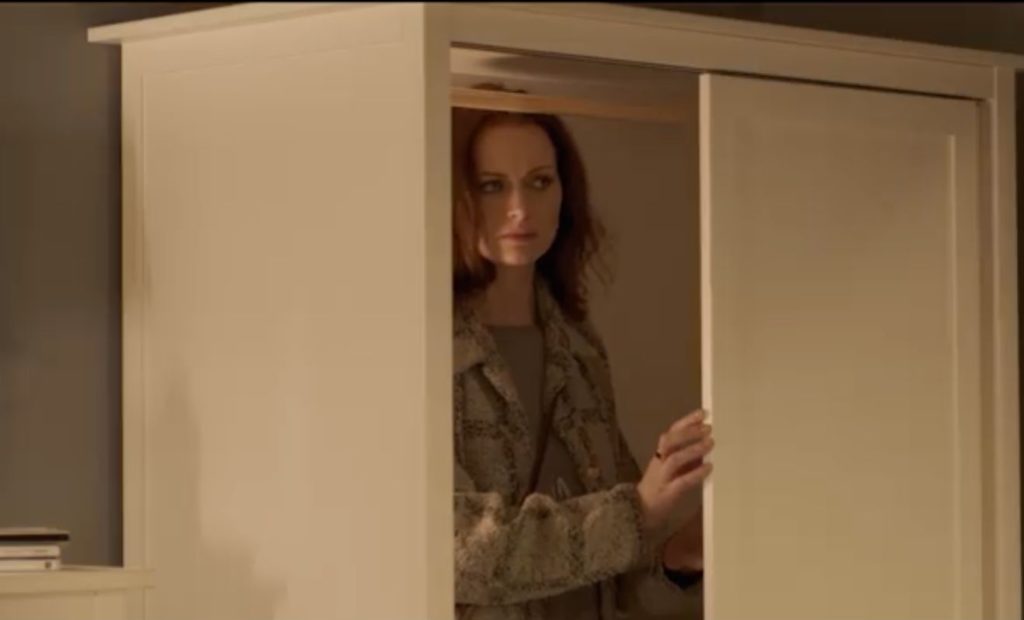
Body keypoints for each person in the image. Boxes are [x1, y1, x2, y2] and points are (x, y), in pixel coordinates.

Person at [452, 84, 715, 620]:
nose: (520, 209)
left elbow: (618, 578)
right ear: (457, 195)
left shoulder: (578, 350)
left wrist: (682, 555)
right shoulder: (426, 354)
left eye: (540, 182)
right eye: (492, 185)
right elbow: (460, 553)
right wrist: (638, 509)